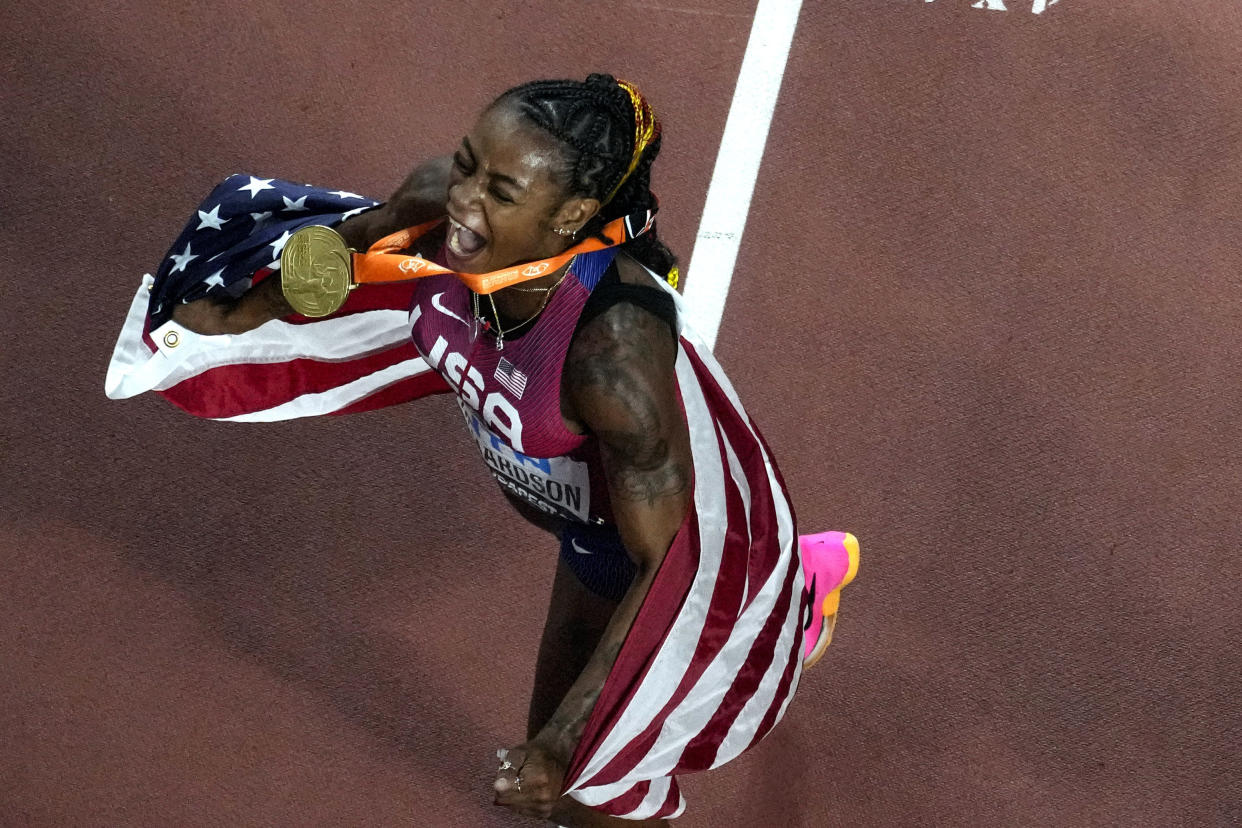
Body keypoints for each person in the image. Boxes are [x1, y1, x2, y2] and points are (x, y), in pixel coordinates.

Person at [116, 74, 855, 826]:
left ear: (571, 214)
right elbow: (345, 251)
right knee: (552, 764)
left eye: (501, 191)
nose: (465, 201)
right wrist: (240, 314)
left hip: (631, 543)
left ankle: (791, 591)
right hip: (574, 515)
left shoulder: (612, 356)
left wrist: (566, 745)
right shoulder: (437, 200)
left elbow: (669, 564)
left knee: (584, 786)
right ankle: (809, 574)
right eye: (469, 163)